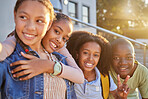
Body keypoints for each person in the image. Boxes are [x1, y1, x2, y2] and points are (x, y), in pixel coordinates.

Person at [0, 0, 82, 99]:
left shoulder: (61, 58)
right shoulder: (12, 57)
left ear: (48, 24)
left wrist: (48, 65)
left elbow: (80, 78)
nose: (59, 40)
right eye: (56, 31)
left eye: (65, 38)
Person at [66, 31, 130, 99]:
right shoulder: (69, 73)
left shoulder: (104, 77)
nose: (90, 59)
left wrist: (122, 97)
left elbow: (117, 97)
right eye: (86, 53)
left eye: (95, 55)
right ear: (77, 54)